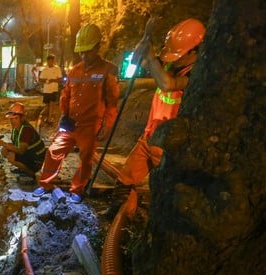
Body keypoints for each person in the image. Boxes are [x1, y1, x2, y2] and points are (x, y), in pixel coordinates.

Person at [108, 18, 206, 218]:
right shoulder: (168, 65)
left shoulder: (198, 73)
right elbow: (137, 60)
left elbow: (168, 84)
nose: (173, 59)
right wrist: (146, 37)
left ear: (194, 51)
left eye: (178, 54)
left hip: (170, 148)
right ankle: (121, 217)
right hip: (149, 137)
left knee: (164, 191)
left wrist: (153, 59)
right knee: (125, 180)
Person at [32, 24, 119, 204]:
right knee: (54, 151)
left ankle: (77, 189)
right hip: (70, 123)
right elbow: (66, 95)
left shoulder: (108, 71)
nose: (84, 55)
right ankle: (45, 183)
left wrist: (107, 125)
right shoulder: (75, 70)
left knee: (86, 158)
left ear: (97, 47)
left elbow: (112, 103)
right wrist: (64, 115)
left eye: (87, 51)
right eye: (81, 52)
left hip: (90, 125)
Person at [0, 102, 47, 178]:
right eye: (11, 119)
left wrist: (4, 144)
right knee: (5, 150)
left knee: (11, 156)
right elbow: (16, 144)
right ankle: (22, 169)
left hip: (36, 160)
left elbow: (21, 151)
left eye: (16, 118)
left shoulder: (26, 130)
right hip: (30, 155)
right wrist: (5, 145)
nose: (13, 121)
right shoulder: (16, 129)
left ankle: (30, 173)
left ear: (22, 118)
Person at [36, 54, 63, 128]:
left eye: (52, 61)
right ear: (47, 61)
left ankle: (49, 118)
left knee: (52, 104)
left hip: (54, 89)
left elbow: (60, 79)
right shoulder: (45, 70)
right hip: (46, 90)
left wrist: (53, 80)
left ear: (54, 61)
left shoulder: (57, 69)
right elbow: (40, 79)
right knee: (47, 105)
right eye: (49, 61)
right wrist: (46, 80)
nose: (50, 62)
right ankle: (43, 115)